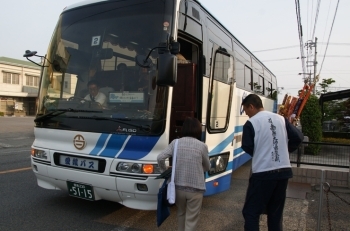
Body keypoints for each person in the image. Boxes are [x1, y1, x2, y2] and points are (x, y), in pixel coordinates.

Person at [240, 94, 304, 231]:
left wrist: (261, 154)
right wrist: (285, 151)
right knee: (275, 214)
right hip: (284, 171)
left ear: (251, 106)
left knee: (251, 212)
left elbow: (247, 146)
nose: (247, 115)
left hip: (263, 173)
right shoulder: (281, 119)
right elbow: (298, 137)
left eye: (246, 111)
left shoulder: (251, 123)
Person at [157, 117, 210, 231]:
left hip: (178, 188)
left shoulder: (175, 143)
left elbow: (160, 157)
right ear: (198, 130)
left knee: (181, 213)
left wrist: (164, 170)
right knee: (191, 219)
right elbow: (207, 167)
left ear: (184, 129)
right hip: (196, 189)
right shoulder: (202, 146)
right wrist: (197, 168)